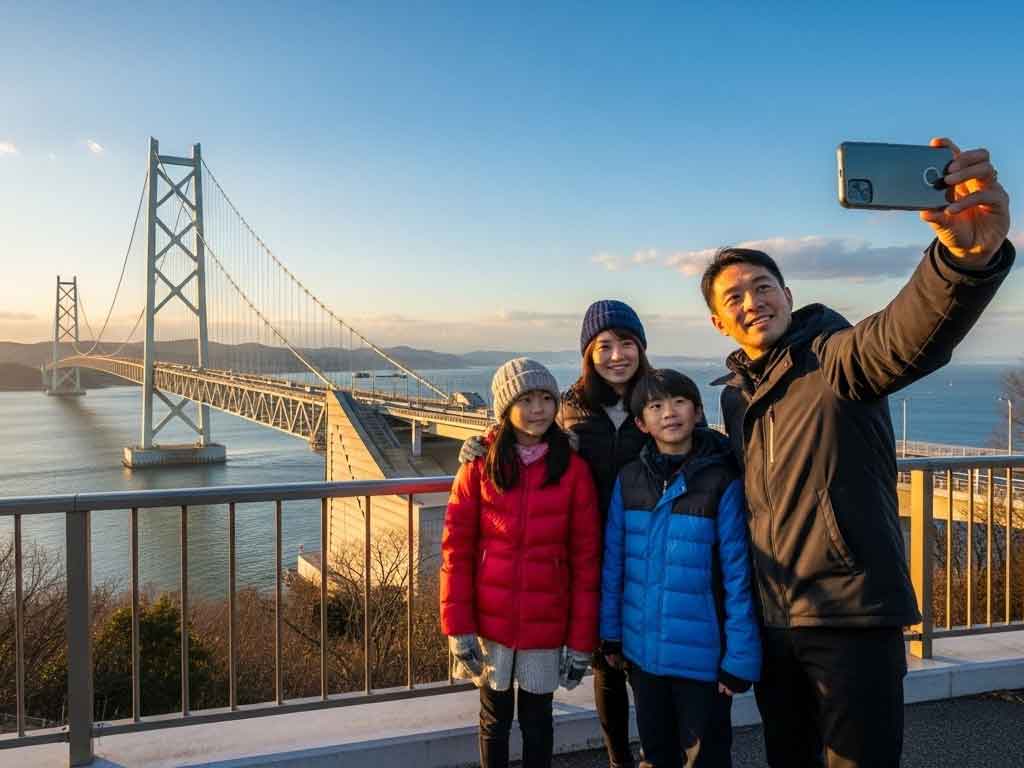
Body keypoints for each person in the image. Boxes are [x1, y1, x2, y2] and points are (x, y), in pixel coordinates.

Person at [700, 138, 1014, 767]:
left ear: (789, 295)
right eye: (734, 298)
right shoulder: (737, 399)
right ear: (719, 323)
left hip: (852, 617)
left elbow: (902, 336)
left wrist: (962, 262)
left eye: (763, 287)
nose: (752, 301)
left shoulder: (836, 360)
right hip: (776, 620)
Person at [462, 300, 654, 768]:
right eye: (603, 346)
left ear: (641, 348)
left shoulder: (657, 398)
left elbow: (688, 435)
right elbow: (524, 430)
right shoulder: (570, 406)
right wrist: (481, 443)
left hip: (645, 553)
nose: (616, 355)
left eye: (626, 343)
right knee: (607, 668)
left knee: (648, 671)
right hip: (582, 560)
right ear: (587, 354)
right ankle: (619, 760)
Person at [440, 357, 602, 768]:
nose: (538, 409)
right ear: (505, 408)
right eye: (526, 400)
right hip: (489, 621)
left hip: (546, 621)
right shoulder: (478, 466)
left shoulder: (573, 470)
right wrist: (458, 627)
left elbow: (586, 562)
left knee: (538, 721)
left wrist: (581, 642)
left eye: (546, 398)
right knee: (493, 720)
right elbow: (456, 551)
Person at [600, 369, 761, 768]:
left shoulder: (721, 480)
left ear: (698, 411)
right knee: (655, 756)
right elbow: (614, 565)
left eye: (679, 402)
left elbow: (737, 575)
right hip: (643, 654)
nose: (669, 413)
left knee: (706, 759)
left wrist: (739, 658)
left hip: (703, 660)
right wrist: (611, 635)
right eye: (655, 406)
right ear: (641, 423)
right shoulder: (629, 480)